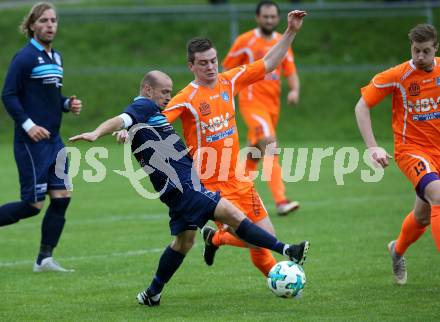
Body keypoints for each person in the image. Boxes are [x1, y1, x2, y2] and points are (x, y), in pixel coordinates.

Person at [69, 70, 309, 307]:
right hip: (186, 187)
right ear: (147, 90)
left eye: (170, 92)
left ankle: (152, 294)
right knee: (235, 216)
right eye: (164, 92)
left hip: (176, 190)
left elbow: (129, 124)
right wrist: (96, 132)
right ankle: (288, 250)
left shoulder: (146, 114)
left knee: (183, 243)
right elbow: (122, 118)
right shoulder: (145, 106)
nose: (167, 96)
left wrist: (126, 129)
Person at [162, 10, 308, 278]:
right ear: (191, 66)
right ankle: (219, 240)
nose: (210, 66)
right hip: (210, 184)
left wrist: (291, 31)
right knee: (259, 241)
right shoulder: (186, 97)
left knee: (264, 238)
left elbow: (269, 63)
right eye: (203, 63)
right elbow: (159, 122)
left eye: (213, 61)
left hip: (238, 178)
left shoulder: (230, 81)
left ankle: (216, 239)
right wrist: (131, 130)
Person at [355, 23, 440, 285]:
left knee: (423, 216)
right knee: (438, 195)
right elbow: (362, 106)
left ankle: (397, 249)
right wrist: (373, 147)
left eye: (426, 51)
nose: (420, 57)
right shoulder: (399, 75)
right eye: (416, 51)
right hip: (411, 151)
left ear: (435, 49)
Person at [0, 2, 82, 272]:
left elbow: (48, 98)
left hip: (54, 141)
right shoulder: (24, 57)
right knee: (32, 205)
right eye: (44, 20)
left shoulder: (55, 57)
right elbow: (9, 95)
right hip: (31, 143)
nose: (50, 25)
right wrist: (28, 125)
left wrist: (66, 104)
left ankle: (44, 259)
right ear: (32, 25)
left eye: (54, 20)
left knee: (62, 196)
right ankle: (43, 259)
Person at [222, 1, 300, 216]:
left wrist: (294, 90)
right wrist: (225, 97)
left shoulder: (281, 42)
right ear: (257, 18)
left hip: (272, 106)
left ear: (278, 18)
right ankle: (281, 200)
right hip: (251, 103)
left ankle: (235, 196)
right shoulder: (245, 41)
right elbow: (227, 70)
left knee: (254, 155)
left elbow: (290, 69)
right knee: (270, 144)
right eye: (265, 16)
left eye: (273, 16)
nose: (269, 20)